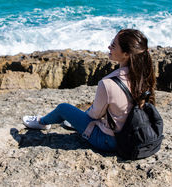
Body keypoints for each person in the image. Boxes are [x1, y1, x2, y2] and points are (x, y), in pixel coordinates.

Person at [22, 29, 156, 152]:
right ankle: (67, 122)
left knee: (63, 109)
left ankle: (42, 123)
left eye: (113, 45)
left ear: (126, 54)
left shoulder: (108, 83)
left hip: (110, 141)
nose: (109, 47)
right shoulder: (145, 75)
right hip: (136, 135)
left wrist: (80, 117)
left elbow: (94, 116)